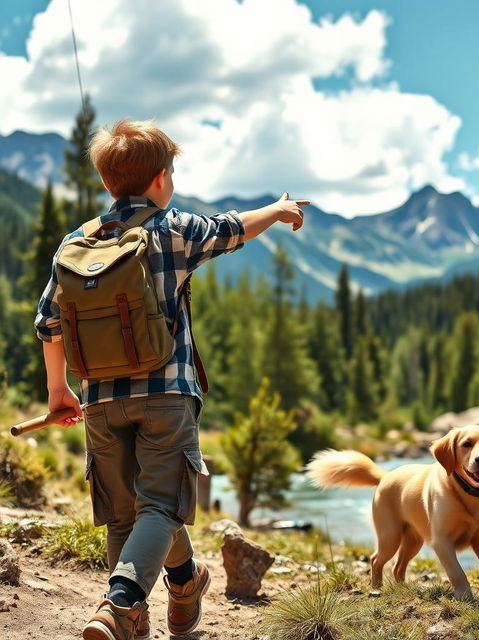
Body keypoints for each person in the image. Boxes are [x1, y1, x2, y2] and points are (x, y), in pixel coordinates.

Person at [34, 119, 309, 640]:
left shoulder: (76, 243)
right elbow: (232, 228)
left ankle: (180, 587)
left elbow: (48, 322)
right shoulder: (174, 229)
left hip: (99, 403)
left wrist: (58, 392)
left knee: (124, 515)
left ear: (108, 182)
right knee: (160, 505)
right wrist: (277, 209)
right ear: (161, 179)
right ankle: (120, 604)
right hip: (166, 397)